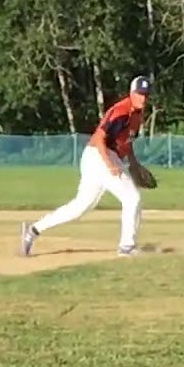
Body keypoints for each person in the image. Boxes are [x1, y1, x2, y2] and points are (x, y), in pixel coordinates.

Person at [22, 76, 153, 256]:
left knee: (80, 207)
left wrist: (134, 163)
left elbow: (127, 143)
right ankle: (127, 246)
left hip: (98, 158)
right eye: (139, 94)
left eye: (146, 94)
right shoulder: (121, 111)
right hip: (100, 155)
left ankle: (33, 230)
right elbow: (100, 137)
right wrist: (109, 164)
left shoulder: (137, 116)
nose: (143, 98)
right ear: (131, 93)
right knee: (132, 198)